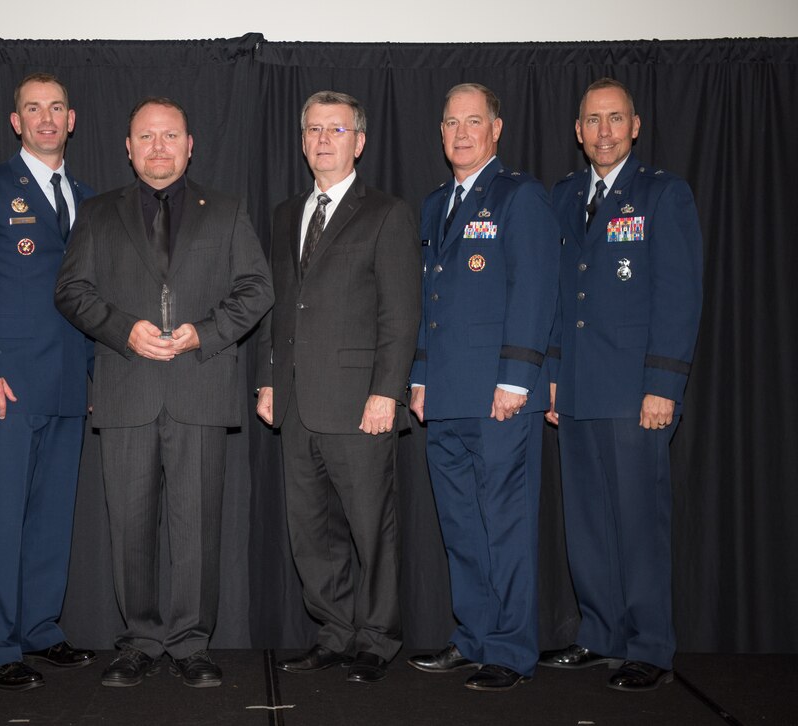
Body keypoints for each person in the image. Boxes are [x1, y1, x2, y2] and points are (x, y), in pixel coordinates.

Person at [54, 97, 273, 689]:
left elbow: (256, 288)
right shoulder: (97, 213)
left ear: (189, 143)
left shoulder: (226, 211)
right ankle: (140, 641)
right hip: (127, 389)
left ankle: (192, 644)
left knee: (198, 528)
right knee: (128, 527)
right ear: (128, 148)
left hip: (199, 388)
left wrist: (205, 333)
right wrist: (122, 329)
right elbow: (71, 291)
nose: (157, 147)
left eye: (169, 136)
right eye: (145, 137)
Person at [539, 78, 703, 692]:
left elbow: (679, 297)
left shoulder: (662, 195)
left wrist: (663, 383)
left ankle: (650, 646)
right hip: (577, 389)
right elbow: (556, 297)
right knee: (585, 523)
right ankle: (600, 634)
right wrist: (551, 377)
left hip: (636, 392)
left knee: (638, 523)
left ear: (635, 126)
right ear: (578, 132)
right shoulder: (561, 197)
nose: (604, 131)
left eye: (615, 119)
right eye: (592, 121)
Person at [255, 90, 420, 684]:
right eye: (314, 130)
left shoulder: (387, 213)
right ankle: (334, 630)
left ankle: (377, 638)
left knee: (371, 526)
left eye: (337, 129)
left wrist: (387, 391)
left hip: (360, 403)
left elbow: (401, 314)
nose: (324, 139)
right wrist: (268, 381)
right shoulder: (283, 213)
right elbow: (277, 309)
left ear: (360, 141)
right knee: (310, 530)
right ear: (302, 140)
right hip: (296, 400)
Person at [0, 73, 95, 691]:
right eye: (33, 109)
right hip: (6, 382)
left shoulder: (83, 195)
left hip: (66, 381)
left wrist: (90, 376)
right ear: (16, 121)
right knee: (5, 515)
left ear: (72, 117)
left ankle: (40, 629)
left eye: (56, 107)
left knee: (53, 514)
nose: (46, 118)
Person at [407, 83, 559, 691]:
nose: (462, 133)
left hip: (500, 396)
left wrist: (518, 379)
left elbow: (535, 289)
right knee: (462, 526)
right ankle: (472, 636)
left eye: (474, 121)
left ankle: (511, 649)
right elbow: (429, 301)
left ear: (496, 128)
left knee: (505, 526)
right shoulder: (435, 203)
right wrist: (418, 377)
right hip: (443, 396)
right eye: (451, 123)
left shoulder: (520, 197)